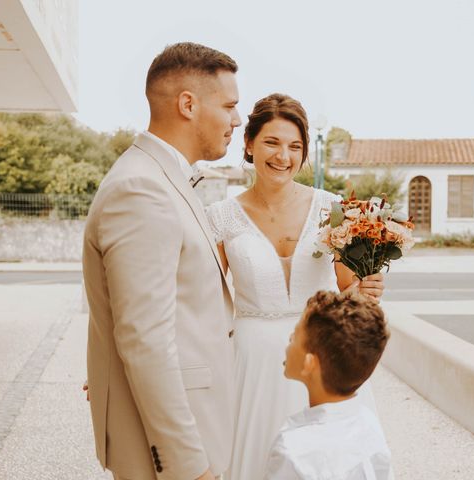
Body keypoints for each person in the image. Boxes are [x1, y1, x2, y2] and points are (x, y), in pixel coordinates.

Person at [205, 93, 387, 480]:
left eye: (295, 146)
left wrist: (365, 288)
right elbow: (202, 302)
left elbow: (346, 290)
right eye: (271, 142)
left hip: (320, 356)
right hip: (250, 363)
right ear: (250, 144)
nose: (282, 157)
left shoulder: (332, 209)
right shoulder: (219, 217)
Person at [83, 42, 241, 480]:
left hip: (197, 422)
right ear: (188, 105)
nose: (237, 119)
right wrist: (188, 467)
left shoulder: (162, 179)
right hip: (172, 452)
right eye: (229, 105)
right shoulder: (141, 190)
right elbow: (144, 340)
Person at [265, 290, 392, 479]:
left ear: (310, 364)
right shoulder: (369, 424)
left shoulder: (292, 449)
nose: (290, 339)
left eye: (295, 335)